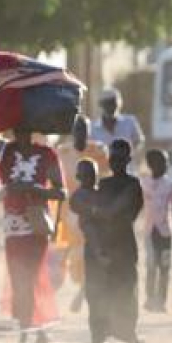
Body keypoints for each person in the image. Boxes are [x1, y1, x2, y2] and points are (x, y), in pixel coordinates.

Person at [0, 116, 67, 343]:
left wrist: (35, 190)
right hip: (13, 226)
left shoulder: (47, 155)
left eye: (25, 128)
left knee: (29, 278)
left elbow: (61, 191)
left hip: (35, 224)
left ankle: (26, 335)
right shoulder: (4, 151)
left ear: (32, 129)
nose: (20, 132)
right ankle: (34, 331)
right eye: (16, 128)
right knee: (20, 279)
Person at [72, 139, 144, 343]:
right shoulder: (102, 186)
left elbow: (113, 211)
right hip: (99, 256)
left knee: (124, 304)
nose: (116, 163)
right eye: (113, 158)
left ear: (128, 160)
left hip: (123, 252)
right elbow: (82, 208)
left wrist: (91, 210)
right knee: (97, 306)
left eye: (121, 159)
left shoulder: (132, 186)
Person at [54, 114, 110, 307]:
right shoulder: (62, 152)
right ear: (72, 131)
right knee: (71, 255)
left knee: (89, 251)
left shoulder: (98, 150)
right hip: (67, 211)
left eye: (84, 129)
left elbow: (106, 179)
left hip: (91, 209)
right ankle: (80, 287)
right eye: (78, 129)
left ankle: (83, 292)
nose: (81, 133)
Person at [140, 148, 172, 312]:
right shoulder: (143, 184)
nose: (166, 165)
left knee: (164, 267)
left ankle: (162, 300)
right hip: (149, 232)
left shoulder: (171, 185)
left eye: (167, 162)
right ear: (152, 164)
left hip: (166, 232)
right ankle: (150, 298)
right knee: (151, 266)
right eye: (163, 162)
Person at [91, 87, 144, 156]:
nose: (110, 107)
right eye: (107, 103)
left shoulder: (130, 121)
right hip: (103, 165)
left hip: (126, 165)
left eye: (113, 103)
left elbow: (139, 141)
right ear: (101, 105)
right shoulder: (93, 127)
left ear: (119, 104)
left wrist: (126, 151)